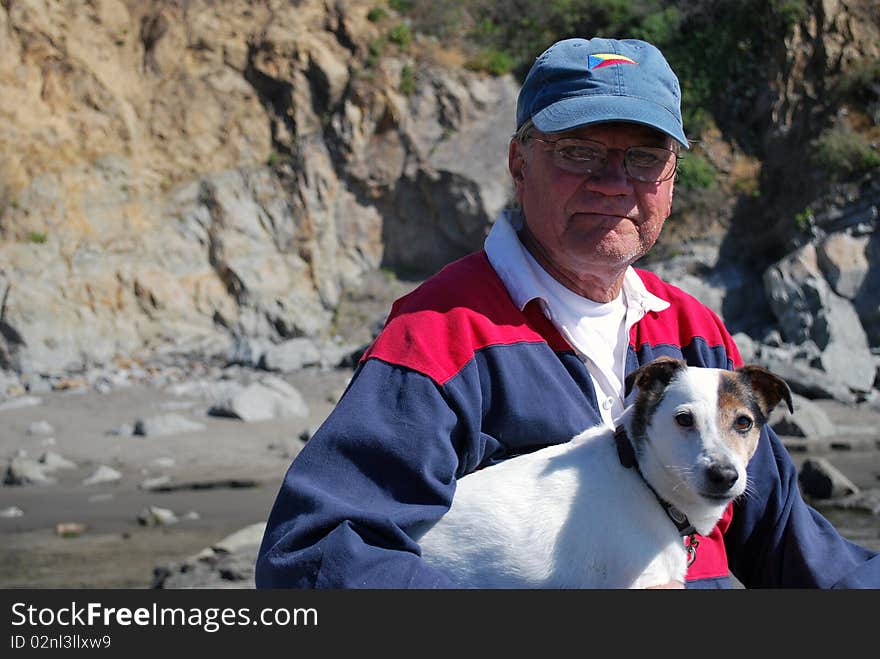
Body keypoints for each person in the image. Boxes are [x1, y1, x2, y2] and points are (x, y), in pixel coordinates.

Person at [255, 37, 880, 588]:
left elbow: (787, 544)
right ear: (519, 162)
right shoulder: (439, 336)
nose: (614, 182)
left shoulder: (694, 331)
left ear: (671, 180)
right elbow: (317, 553)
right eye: (579, 151)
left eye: (644, 157)